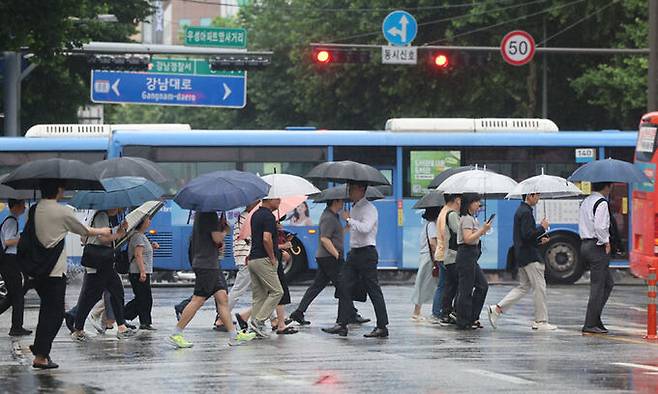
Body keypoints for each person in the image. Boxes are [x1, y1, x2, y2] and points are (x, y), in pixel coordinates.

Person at [30, 180, 111, 369]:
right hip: (55, 270)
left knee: (46, 311)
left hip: (37, 268)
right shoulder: (61, 211)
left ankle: (40, 352)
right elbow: (83, 230)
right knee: (56, 314)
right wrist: (102, 230)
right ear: (58, 190)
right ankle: (41, 355)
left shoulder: (35, 209)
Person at [169, 211, 255, 348]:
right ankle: (176, 333)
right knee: (198, 300)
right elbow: (217, 238)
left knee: (222, 298)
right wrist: (226, 230)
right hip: (206, 264)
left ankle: (234, 336)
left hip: (210, 262)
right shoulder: (209, 214)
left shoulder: (202, 214)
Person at [325, 182, 389, 338]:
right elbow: (354, 229)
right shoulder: (353, 207)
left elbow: (366, 228)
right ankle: (342, 323)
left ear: (361, 189)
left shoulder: (369, 208)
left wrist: (349, 220)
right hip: (354, 253)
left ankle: (382, 326)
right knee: (343, 284)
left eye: (352, 189)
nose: (349, 192)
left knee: (373, 289)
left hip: (367, 253)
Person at [487, 193, 557, 331]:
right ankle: (540, 321)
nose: (538, 198)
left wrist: (539, 240)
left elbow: (526, 237)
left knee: (524, 287)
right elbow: (527, 235)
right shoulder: (525, 212)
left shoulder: (521, 210)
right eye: (537, 195)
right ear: (530, 196)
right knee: (539, 288)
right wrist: (542, 227)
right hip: (531, 257)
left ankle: (497, 309)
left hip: (522, 255)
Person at [70, 208, 137, 342]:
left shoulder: (103, 217)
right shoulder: (101, 215)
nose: (120, 210)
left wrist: (120, 231)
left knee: (116, 291)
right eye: (119, 207)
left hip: (104, 262)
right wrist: (120, 232)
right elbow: (104, 239)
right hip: (98, 262)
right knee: (91, 296)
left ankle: (122, 327)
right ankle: (77, 328)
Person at [580, 182, 617, 335]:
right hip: (597, 246)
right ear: (607, 187)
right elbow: (601, 227)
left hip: (585, 244)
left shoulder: (586, 201)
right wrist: (606, 242)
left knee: (608, 283)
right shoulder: (601, 203)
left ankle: (596, 318)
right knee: (598, 285)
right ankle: (589, 323)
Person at [247, 198, 284, 338]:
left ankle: (254, 328)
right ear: (269, 200)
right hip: (264, 259)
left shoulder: (256, 214)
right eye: (277, 199)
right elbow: (266, 239)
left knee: (259, 296)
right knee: (277, 292)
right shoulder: (269, 216)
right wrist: (272, 257)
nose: (280, 201)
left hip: (253, 259)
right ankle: (259, 321)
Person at [454, 193, 491, 330]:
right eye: (476, 202)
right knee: (466, 289)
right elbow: (468, 238)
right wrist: (482, 230)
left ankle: (472, 317)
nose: (479, 205)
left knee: (482, 286)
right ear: (469, 203)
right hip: (466, 255)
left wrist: (482, 230)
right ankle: (464, 321)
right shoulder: (467, 219)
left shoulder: (471, 218)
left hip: (471, 255)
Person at [0, 199, 31, 336]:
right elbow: (8, 240)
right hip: (9, 260)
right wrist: (22, 238)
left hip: (8, 260)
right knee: (18, 295)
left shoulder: (10, 219)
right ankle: (16, 327)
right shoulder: (11, 220)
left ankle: (17, 326)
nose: (24, 207)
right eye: (22, 204)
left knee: (12, 296)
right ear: (16, 206)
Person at [430, 194, 461, 325]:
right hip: (446, 254)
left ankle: (438, 312)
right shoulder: (449, 214)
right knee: (447, 286)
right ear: (457, 200)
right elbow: (454, 233)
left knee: (444, 285)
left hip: (441, 253)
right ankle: (440, 312)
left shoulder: (443, 211)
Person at [124, 216, 159, 330]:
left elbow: (142, 253)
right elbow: (138, 255)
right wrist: (142, 272)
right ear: (142, 223)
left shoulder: (140, 235)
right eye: (148, 220)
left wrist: (152, 247)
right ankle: (142, 322)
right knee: (144, 298)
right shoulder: (138, 236)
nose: (150, 222)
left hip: (140, 271)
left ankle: (123, 317)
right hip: (138, 272)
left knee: (142, 298)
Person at [411, 207, 440, 321]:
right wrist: (438, 256)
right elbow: (433, 244)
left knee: (424, 283)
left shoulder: (428, 224)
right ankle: (416, 312)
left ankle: (417, 311)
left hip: (426, 256)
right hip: (429, 257)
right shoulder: (432, 225)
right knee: (423, 284)